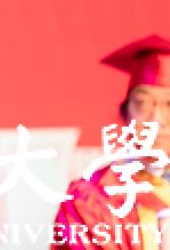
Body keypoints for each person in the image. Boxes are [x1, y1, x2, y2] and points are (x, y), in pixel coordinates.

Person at [53, 35, 170, 250]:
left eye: (169, 104)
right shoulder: (90, 198)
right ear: (126, 114)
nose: (157, 119)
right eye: (143, 103)